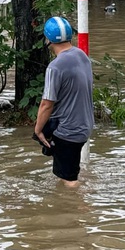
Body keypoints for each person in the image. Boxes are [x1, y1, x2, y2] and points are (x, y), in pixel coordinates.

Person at [33, 16, 94, 187]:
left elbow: (47, 103)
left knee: (69, 180)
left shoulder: (55, 66)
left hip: (68, 131)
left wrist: (38, 130)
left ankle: (79, 209)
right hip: (85, 125)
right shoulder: (81, 55)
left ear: (48, 40)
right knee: (69, 170)